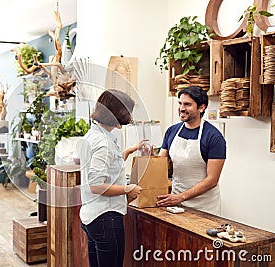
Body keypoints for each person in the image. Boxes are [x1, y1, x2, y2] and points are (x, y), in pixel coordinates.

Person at [77, 89, 143, 267]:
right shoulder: (103, 143)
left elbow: (107, 166)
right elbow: (96, 185)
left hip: (92, 218)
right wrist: (128, 189)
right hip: (106, 219)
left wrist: (128, 151)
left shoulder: (93, 136)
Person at [157, 86, 226, 215]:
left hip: (204, 208)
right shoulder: (171, 131)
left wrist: (181, 196)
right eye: (180, 103)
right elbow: (160, 165)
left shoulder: (214, 137)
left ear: (201, 107)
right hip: (175, 204)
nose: (182, 108)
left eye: (187, 104)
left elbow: (212, 180)